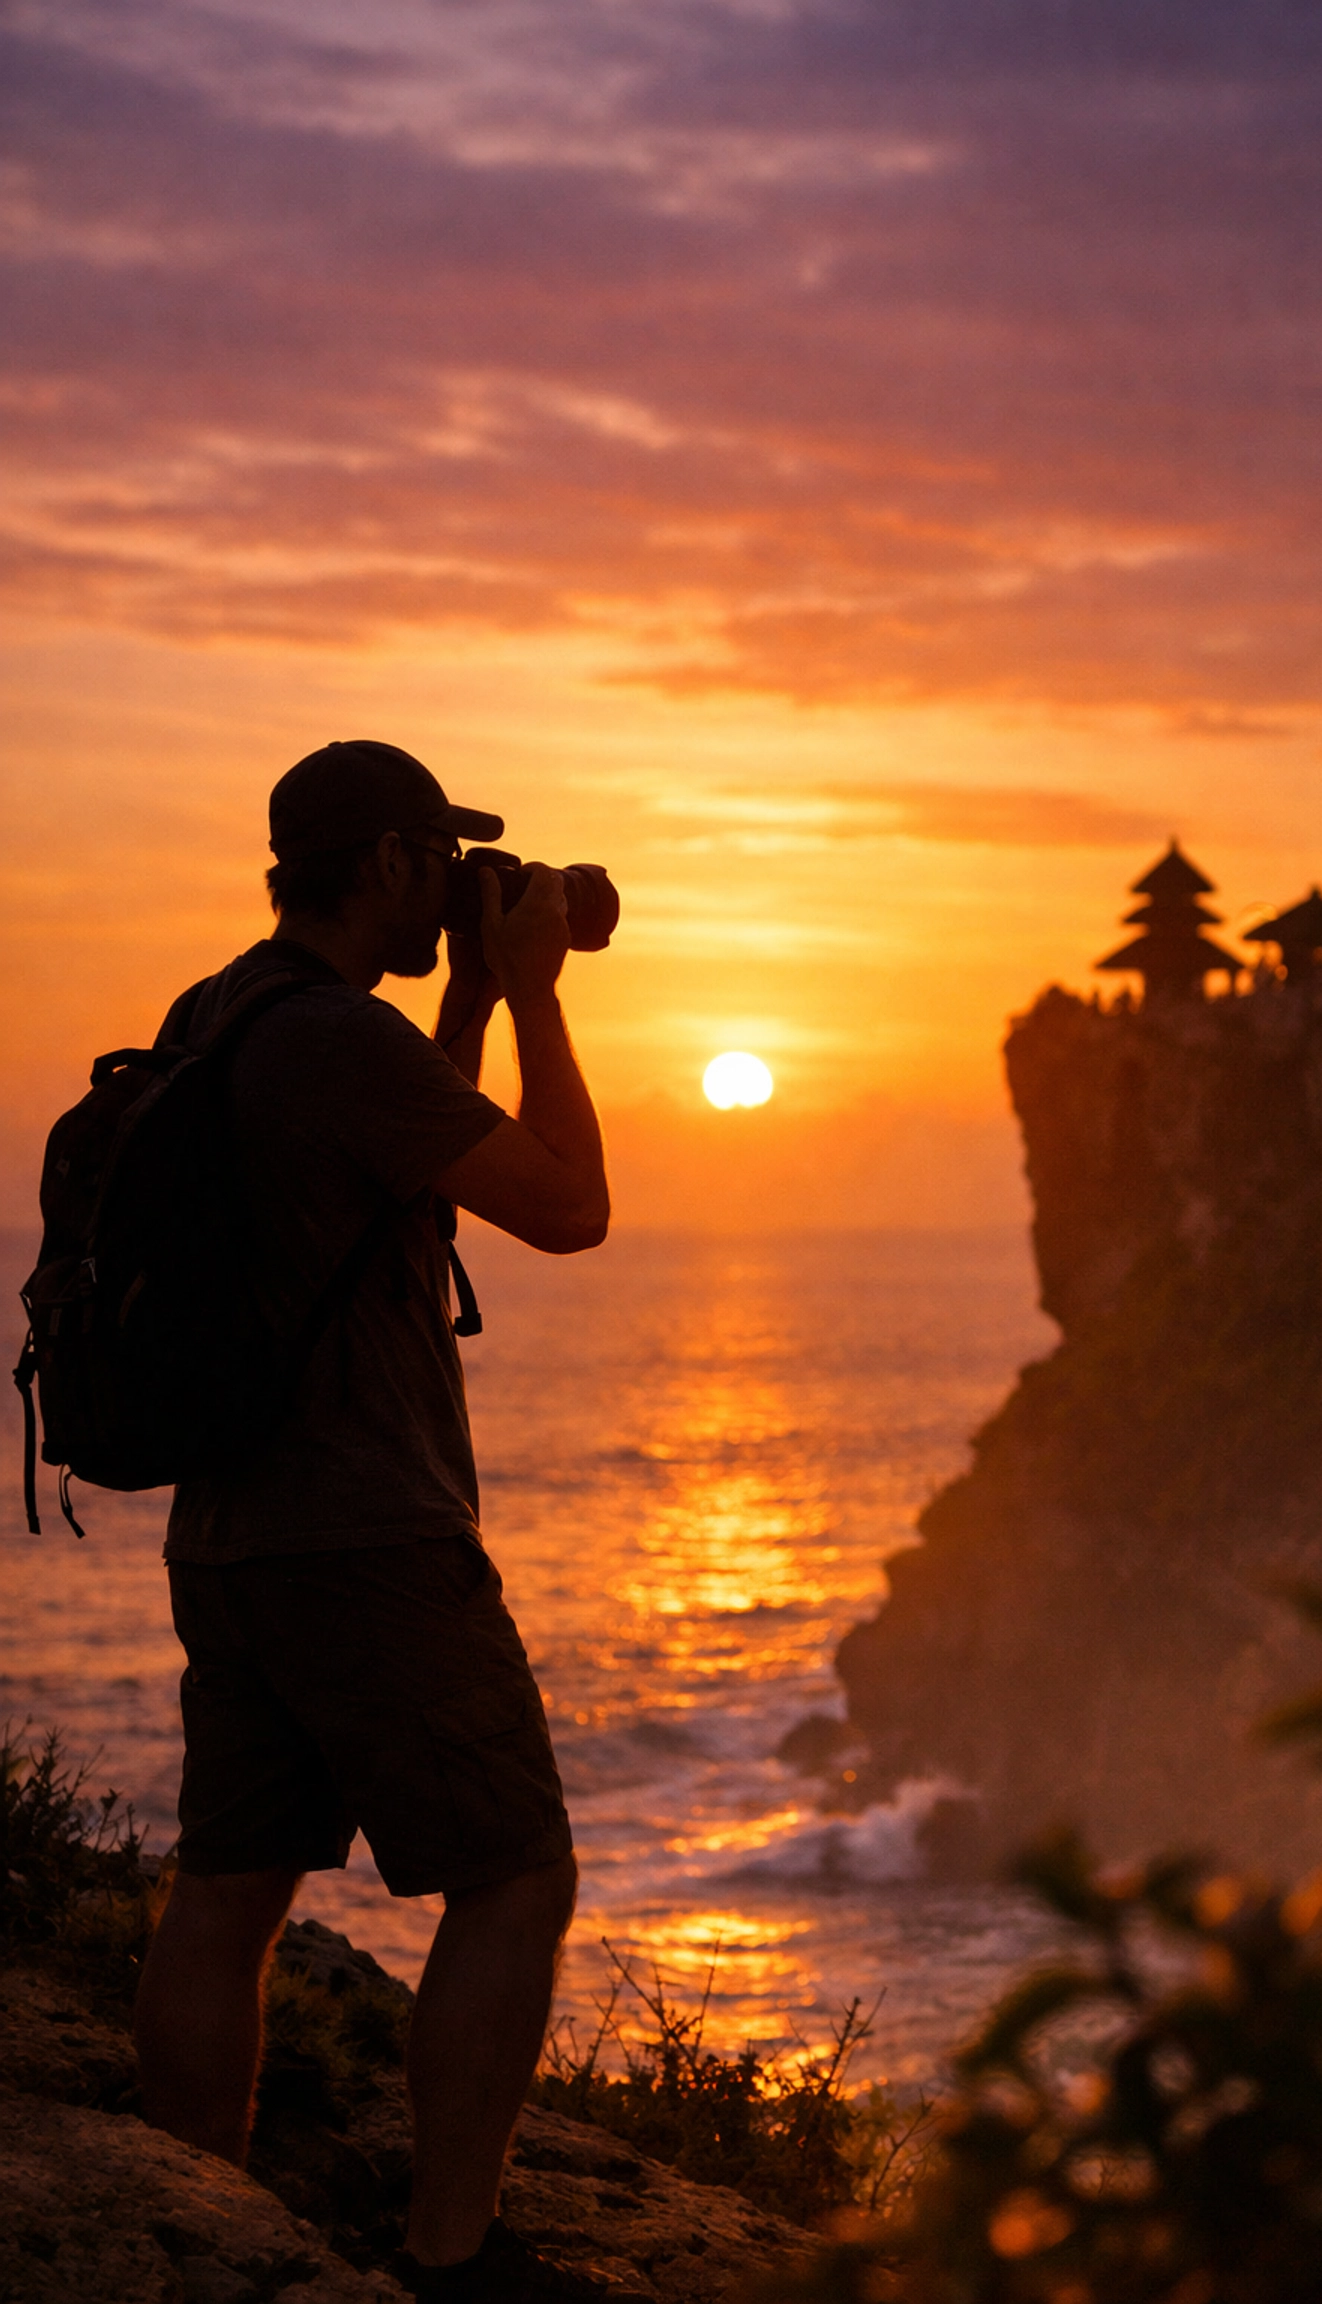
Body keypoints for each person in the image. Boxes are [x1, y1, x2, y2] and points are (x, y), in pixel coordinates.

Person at [131, 740, 608, 2303]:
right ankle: (451, 2257)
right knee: (518, 1873)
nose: (468, 885)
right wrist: (535, 987)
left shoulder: (228, 1015)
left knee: (232, 1886)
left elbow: (405, 1171)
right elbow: (563, 1205)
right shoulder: (339, 1039)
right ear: (393, 865)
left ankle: (192, 2227)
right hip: (367, 1536)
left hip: (234, 1531)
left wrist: (465, 995)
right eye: (446, 859)